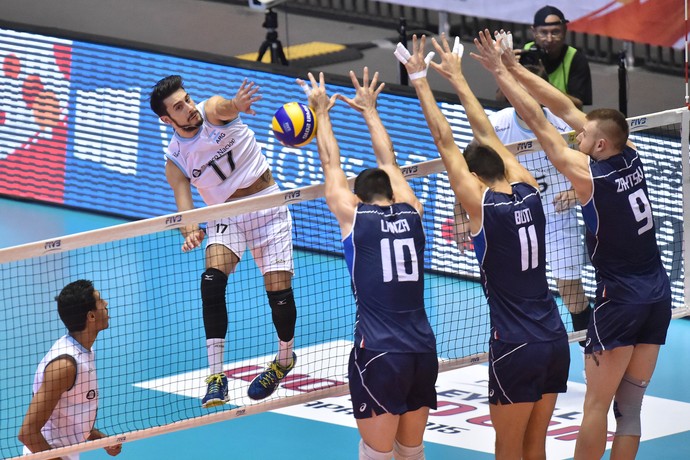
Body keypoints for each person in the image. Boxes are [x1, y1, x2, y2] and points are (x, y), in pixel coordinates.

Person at [473, 28, 672, 459]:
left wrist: (500, 74)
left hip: (620, 300)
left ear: (599, 144)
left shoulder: (589, 177)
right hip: (657, 292)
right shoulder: (629, 152)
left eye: (582, 137)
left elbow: (543, 122)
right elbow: (562, 105)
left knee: (596, 405)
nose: (575, 137)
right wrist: (510, 66)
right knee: (631, 410)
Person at [397, 34, 569, 459]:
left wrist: (420, 79)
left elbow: (445, 142)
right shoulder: (528, 188)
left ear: (472, 176)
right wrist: (459, 78)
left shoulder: (480, 204)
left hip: (515, 343)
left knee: (508, 449)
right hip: (553, 336)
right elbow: (487, 134)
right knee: (536, 447)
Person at [303, 68, 438, 460]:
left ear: (359, 198)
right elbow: (389, 161)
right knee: (411, 453)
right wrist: (369, 110)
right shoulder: (413, 211)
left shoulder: (355, 217)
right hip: (422, 349)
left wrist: (321, 113)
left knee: (375, 454)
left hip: (379, 351)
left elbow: (331, 166)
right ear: (391, 192)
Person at [149, 76, 298, 405]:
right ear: (166, 119)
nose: (188, 108)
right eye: (178, 107)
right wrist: (189, 232)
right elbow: (185, 210)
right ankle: (216, 376)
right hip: (225, 215)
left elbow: (226, 106)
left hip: (268, 207)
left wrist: (238, 105)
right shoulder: (175, 161)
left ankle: (284, 359)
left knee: (279, 294)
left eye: (187, 100)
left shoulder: (213, 110)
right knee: (211, 282)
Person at [490, 64, 592, 357]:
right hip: (518, 221)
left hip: (558, 217)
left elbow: (594, 164)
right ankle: (523, 349)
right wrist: (462, 215)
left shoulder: (563, 124)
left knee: (570, 289)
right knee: (517, 291)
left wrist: (576, 192)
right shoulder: (496, 126)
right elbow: (471, 169)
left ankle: (592, 350)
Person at [18, 280, 123, 459]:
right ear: (91, 316)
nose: (106, 304)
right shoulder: (64, 366)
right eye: (100, 301)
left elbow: (71, 414)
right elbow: (28, 433)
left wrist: (102, 439)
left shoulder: (83, 350)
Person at [520, 5, 592, 109]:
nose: (549, 39)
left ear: (565, 30)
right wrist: (507, 70)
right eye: (543, 32)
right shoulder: (524, 53)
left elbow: (577, 104)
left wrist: (542, 83)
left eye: (555, 32)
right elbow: (500, 99)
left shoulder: (576, 59)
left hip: (561, 119)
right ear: (534, 32)